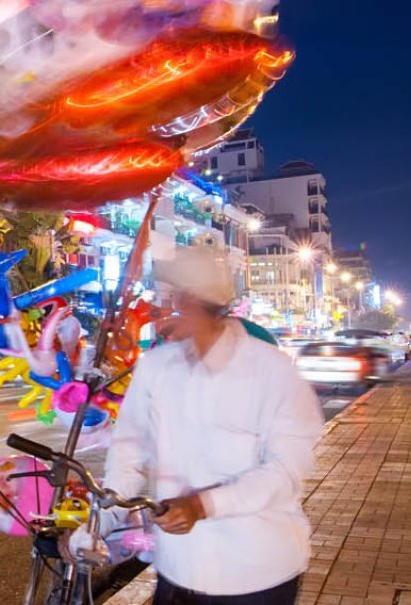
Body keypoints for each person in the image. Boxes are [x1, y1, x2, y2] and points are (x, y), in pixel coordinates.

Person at [105, 249, 321, 604]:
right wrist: (98, 524)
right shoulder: (156, 368)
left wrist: (203, 505)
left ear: (193, 300)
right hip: (179, 570)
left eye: (174, 297)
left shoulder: (272, 370)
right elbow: (128, 453)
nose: (167, 307)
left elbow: (286, 471)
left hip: (255, 574)